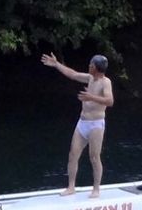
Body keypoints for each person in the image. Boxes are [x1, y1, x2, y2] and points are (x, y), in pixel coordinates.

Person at [41, 52, 115, 198]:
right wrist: (56, 64)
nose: (89, 66)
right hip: (82, 122)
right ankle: (71, 186)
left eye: (91, 65)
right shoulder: (90, 78)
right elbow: (73, 74)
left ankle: (96, 189)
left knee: (94, 157)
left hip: (96, 125)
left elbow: (110, 101)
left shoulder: (105, 82)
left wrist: (90, 97)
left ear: (96, 67)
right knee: (73, 154)